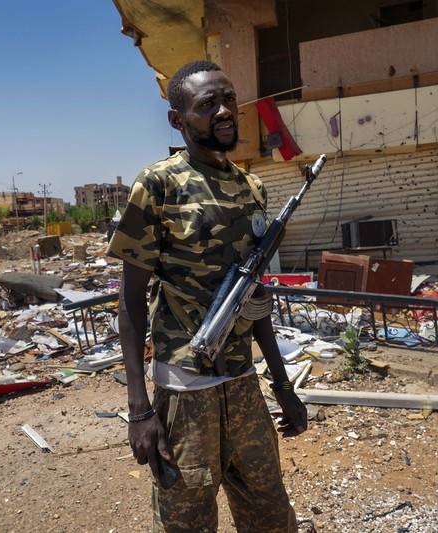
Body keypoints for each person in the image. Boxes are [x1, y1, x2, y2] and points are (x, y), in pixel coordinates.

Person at [107, 60, 308, 532]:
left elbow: (252, 298)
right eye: (207, 104)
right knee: (187, 523)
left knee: (270, 515)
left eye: (228, 100)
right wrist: (139, 410)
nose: (223, 111)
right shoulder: (158, 184)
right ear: (177, 119)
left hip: (242, 383)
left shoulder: (251, 187)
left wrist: (282, 385)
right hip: (184, 390)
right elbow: (130, 300)